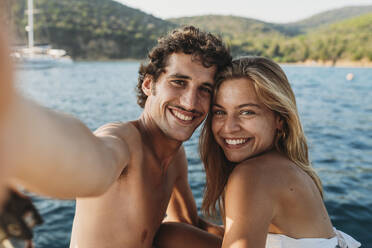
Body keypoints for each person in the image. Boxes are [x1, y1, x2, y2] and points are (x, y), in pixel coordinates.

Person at [0, 25, 231, 247]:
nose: (190, 102)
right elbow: (93, 162)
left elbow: (185, 223)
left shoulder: (176, 158)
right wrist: (16, 126)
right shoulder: (125, 141)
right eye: (179, 82)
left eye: (205, 89)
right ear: (149, 85)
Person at [154, 56, 361, 248]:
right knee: (171, 234)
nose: (229, 127)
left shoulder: (254, 174)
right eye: (220, 112)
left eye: (246, 112)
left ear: (279, 119)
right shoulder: (282, 166)